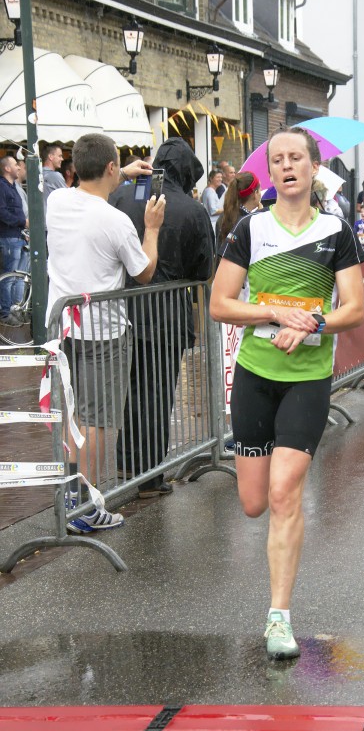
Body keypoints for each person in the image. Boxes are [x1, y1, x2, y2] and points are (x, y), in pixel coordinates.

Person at [210, 126, 364, 660]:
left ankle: (279, 617)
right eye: (277, 160)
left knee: (283, 493)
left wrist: (313, 323)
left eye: (296, 157)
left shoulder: (336, 232)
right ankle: (278, 604)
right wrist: (274, 311)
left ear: (314, 167)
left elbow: (355, 309)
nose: (286, 166)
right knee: (254, 503)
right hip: (255, 375)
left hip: (307, 378)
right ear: (270, 171)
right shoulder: (250, 228)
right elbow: (221, 303)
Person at [45, 133, 166, 532]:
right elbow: (144, 271)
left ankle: (72, 498)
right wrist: (152, 228)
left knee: (74, 415)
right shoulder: (117, 221)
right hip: (104, 333)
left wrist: (122, 173)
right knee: (97, 420)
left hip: (63, 327)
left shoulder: (56, 201)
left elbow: (89, 186)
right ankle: (85, 506)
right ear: (111, 167)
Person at [110, 137, 214, 498]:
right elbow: (204, 267)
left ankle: (126, 460)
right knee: (157, 392)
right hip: (166, 314)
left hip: (122, 309)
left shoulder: (125, 196)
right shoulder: (191, 209)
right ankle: (150, 475)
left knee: (133, 388)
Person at [0, 155, 28, 326]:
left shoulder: (12, 187)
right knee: (9, 277)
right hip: (8, 237)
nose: (19, 167)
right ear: (7, 168)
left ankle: (13, 311)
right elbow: (2, 212)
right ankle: (5, 313)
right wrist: (22, 222)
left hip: (17, 236)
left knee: (17, 277)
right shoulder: (2, 187)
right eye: (15, 164)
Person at [216, 170, 262, 248]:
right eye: (260, 189)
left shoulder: (225, 215)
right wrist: (260, 217)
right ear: (255, 193)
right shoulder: (249, 221)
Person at [41, 143, 67, 216]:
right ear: (51, 157)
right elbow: (67, 199)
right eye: (60, 156)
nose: (62, 159)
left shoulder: (37, 174)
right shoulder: (55, 176)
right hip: (52, 218)